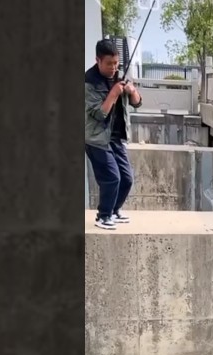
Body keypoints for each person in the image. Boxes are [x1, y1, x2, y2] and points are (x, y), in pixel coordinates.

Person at [86, 39, 143, 230]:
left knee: (126, 178)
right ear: (98, 60)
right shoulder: (89, 83)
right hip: (96, 139)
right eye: (109, 63)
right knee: (111, 177)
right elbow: (100, 113)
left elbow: (137, 103)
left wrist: (131, 89)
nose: (113, 68)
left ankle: (114, 210)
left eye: (116, 63)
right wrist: (114, 93)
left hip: (116, 137)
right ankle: (103, 216)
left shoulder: (121, 76)